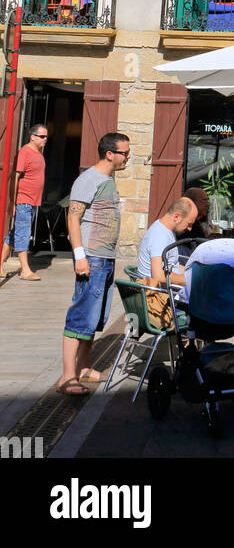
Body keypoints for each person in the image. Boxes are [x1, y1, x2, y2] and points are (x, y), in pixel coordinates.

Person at [57, 131, 130, 396]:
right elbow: (73, 219)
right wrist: (80, 257)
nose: (128, 157)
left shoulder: (107, 179)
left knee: (95, 318)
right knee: (80, 316)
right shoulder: (89, 180)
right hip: (92, 258)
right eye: (124, 153)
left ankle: (84, 367)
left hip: (105, 259)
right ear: (110, 154)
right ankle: (67, 377)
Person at [1, 124, 48, 280]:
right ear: (32, 137)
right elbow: (15, 177)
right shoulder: (25, 152)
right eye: (42, 136)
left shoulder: (39, 153)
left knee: (16, 233)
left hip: (34, 201)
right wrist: (13, 203)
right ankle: (25, 270)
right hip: (24, 200)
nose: (45, 139)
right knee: (23, 233)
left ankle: (0, 264)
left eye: (46, 136)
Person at [137, 197, 197, 285]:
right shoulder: (160, 235)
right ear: (176, 217)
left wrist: (195, 274)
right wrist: (191, 279)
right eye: (189, 224)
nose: (190, 229)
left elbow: (173, 265)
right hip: (160, 294)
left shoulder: (165, 230)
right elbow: (158, 276)